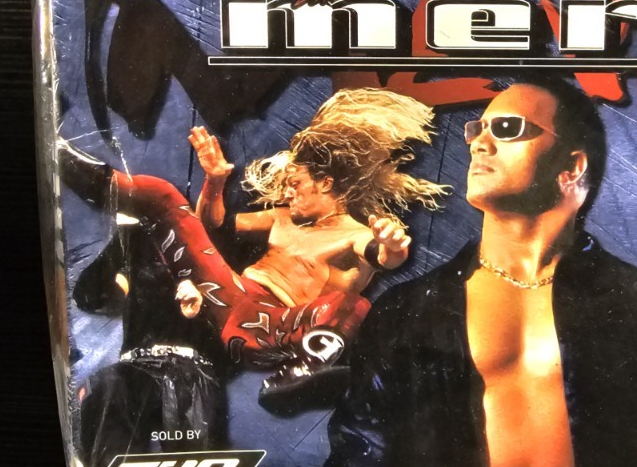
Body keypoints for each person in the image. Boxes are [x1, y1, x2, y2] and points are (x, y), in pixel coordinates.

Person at [324, 80, 637, 467]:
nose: (479, 143)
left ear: (571, 166)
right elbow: (359, 460)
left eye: (507, 128)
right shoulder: (408, 311)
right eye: (477, 129)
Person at [58, 88, 443, 376]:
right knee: (159, 202)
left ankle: (307, 369)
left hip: (274, 329)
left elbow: (383, 256)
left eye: (295, 185)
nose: (287, 194)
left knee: (353, 306)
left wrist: (392, 245)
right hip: (228, 301)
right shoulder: (282, 218)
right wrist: (214, 181)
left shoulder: (354, 235)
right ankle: (65, 161)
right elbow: (210, 229)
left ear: (325, 183)